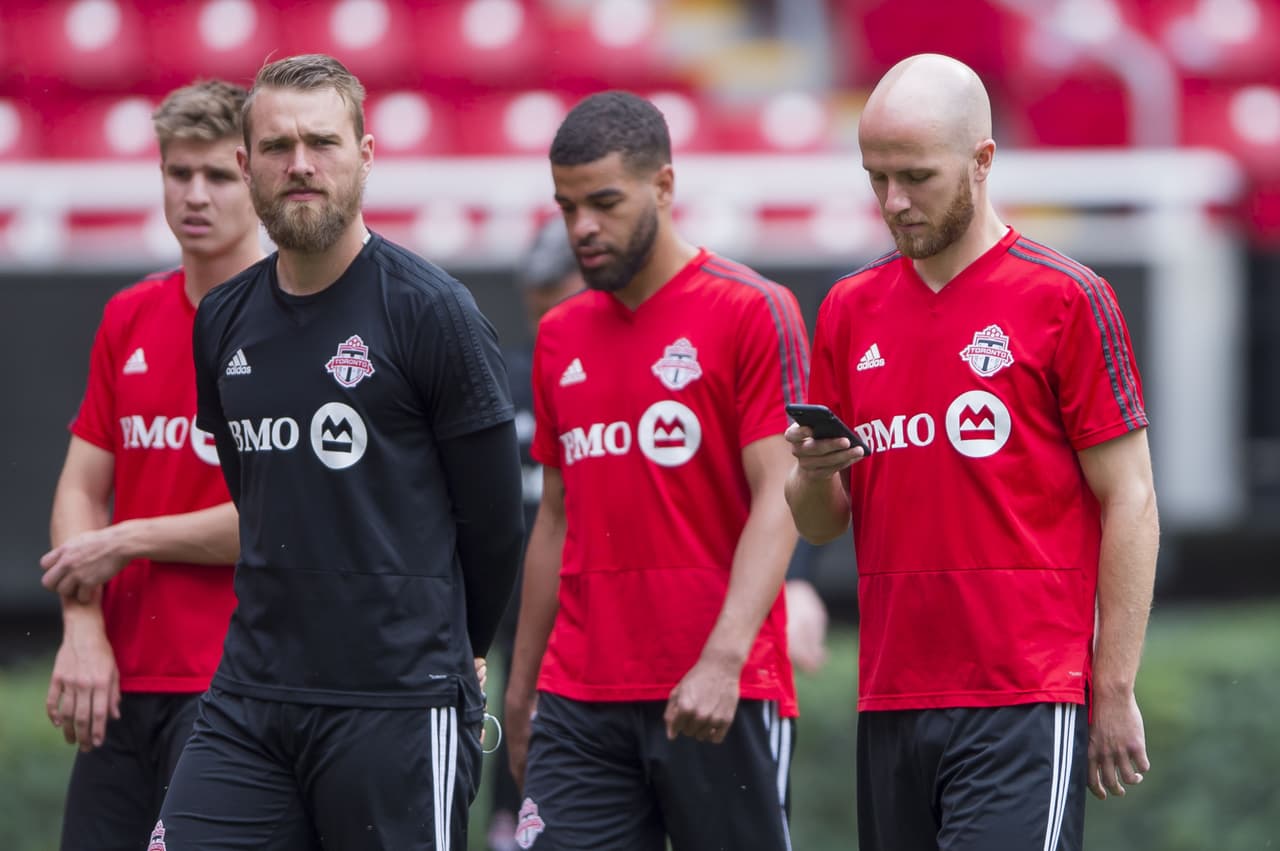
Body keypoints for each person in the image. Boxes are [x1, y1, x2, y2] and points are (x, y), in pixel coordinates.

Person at [785, 53, 1159, 850]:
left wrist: (1114, 683)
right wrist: (810, 479)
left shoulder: (1067, 298)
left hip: (1025, 695)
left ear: (983, 160)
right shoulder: (849, 310)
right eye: (875, 177)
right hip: (888, 698)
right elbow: (822, 525)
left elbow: (1131, 495)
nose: (893, 201)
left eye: (916, 175)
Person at [155, 54, 524, 850]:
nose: (300, 165)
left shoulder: (434, 312)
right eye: (278, 146)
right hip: (250, 697)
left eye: (321, 142)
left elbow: (496, 523)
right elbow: (256, 494)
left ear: (365, 151)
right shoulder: (220, 320)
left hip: (395, 702)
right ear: (247, 163)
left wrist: (462, 648)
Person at [504, 91, 810, 851]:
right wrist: (522, 686)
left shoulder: (752, 309)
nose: (582, 227)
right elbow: (556, 517)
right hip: (579, 695)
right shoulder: (559, 336)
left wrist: (724, 656)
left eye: (603, 202)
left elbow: (783, 492)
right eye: (567, 206)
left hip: (717, 689)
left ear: (665, 187)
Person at [37, 79, 261, 851]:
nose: (195, 195)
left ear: (258, 179)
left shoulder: (293, 321)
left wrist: (126, 539)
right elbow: (78, 486)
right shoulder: (130, 313)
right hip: (123, 682)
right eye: (178, 172)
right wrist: (82, 622)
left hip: (236, 688)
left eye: (220, 175)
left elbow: (276, 520)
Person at [486, 218, 585, 851]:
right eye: (538, 310)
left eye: (561, 304)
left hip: (593, 625)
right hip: (515, 627)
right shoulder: (505, 378)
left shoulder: (617, 377)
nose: (550, 327)